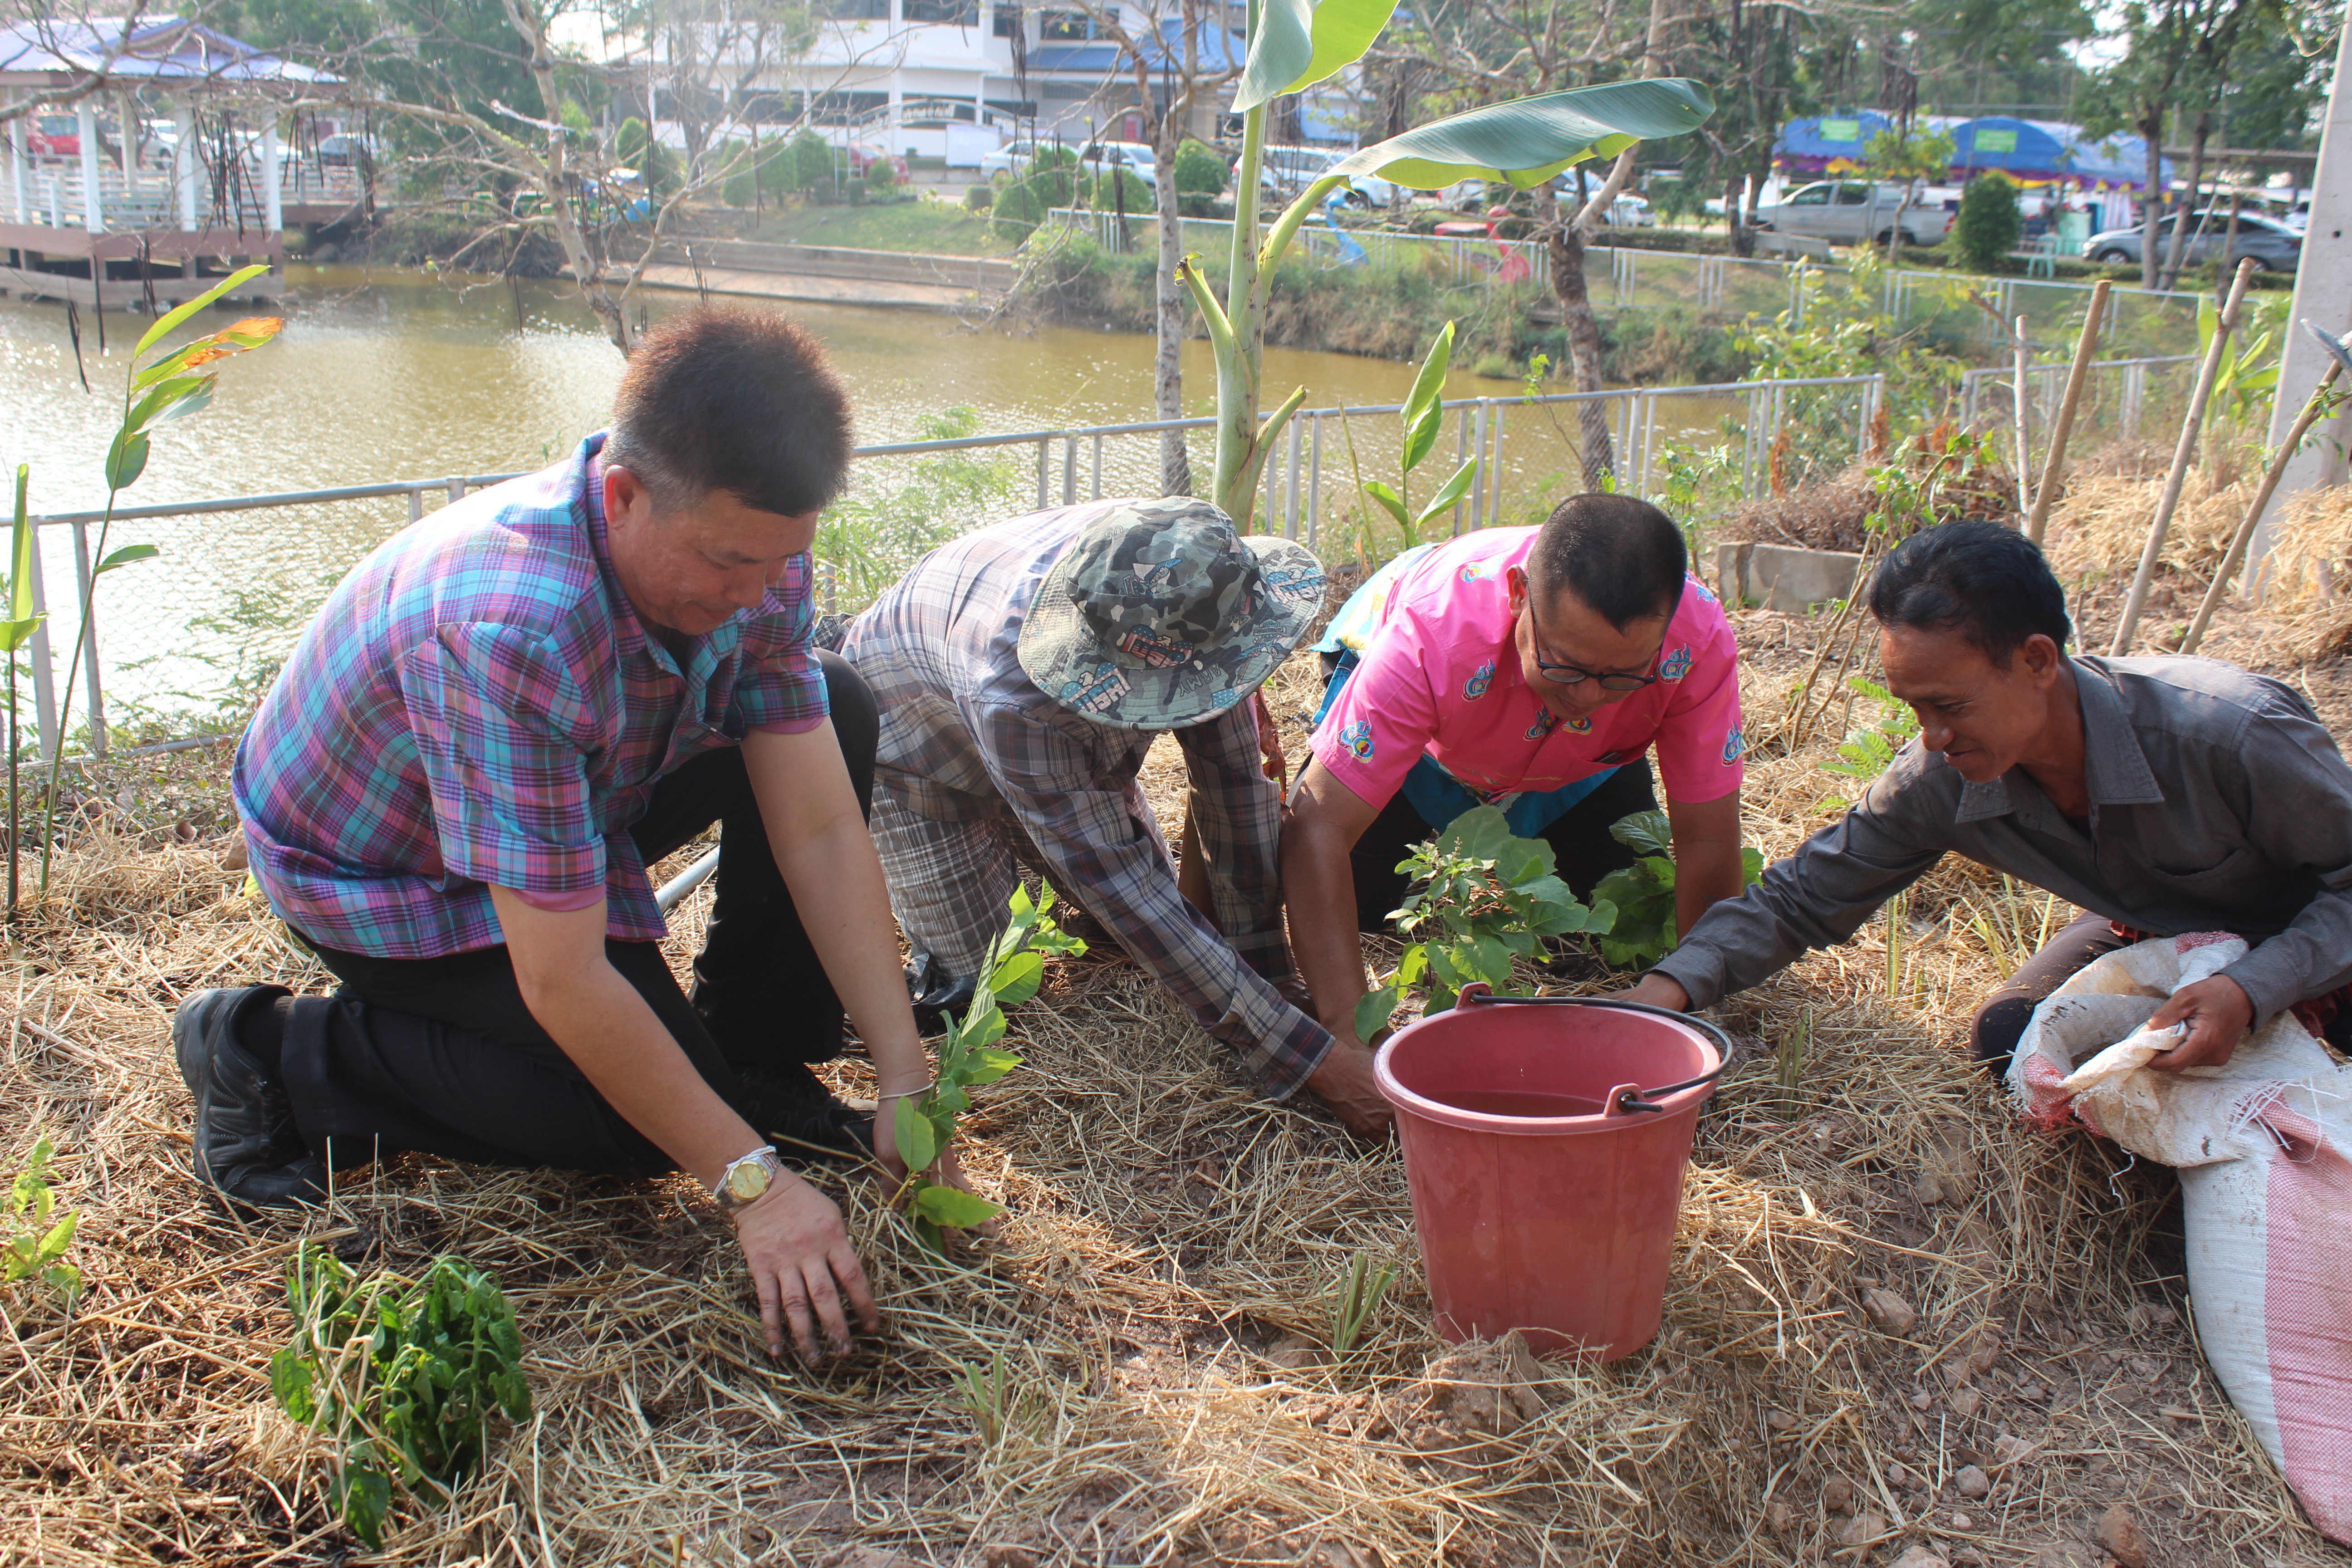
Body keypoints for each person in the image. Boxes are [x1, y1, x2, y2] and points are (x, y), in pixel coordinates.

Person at [179, 308, 963, 1366]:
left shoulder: (754, 555)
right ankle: (270, 1052)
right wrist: (752, 1183)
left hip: (566, 795)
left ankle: (759, 1054)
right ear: (624, 494)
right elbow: (564, 978)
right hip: (387, 868)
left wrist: (907, 1071)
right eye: (730, 561)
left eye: (780, 562)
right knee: (641, 1127)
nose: (755, 593)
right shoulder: (511, 625)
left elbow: (818, 822)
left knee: (832, 702)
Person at [1619, 519, 2352, 1068]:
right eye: (1914, 710)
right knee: (2009, 1042)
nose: (1931, 737)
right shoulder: (1940, 777)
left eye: (1950, 705)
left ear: (2035, 659)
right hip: (2160, 931)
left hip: (2316, 940)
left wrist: (2251, 988)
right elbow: (1799, 897)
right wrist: (1662, 994)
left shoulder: (2228, 735)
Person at [825, 497, 1377, 1129]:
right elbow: (1134, 899)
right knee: (987, 992)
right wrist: (1314, 1065)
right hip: (915, 753)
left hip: (1026, 721)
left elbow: (1236, 788)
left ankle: (1029, 862)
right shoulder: (1017, 699)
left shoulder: (1194, 583)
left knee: (1124, 942)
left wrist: (1273, 976)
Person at [1284, 495, 1751, 1073]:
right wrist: (1349, 1037)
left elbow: (1707, 839)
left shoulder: (1696, 642)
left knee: (1604, 918)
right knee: (1365, 909)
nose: (1587, 698)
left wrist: (1697, 1001)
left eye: (1623, 675)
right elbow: (1319, 826)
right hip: (1433, 744)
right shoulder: (1433, 632)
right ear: (1519, 596)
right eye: (1565, 665)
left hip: (1588, 765)